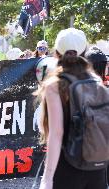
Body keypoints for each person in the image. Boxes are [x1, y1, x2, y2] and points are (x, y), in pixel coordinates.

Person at [36, 28, 107, 189]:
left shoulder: (55, 85)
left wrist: (47, 178)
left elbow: (56, 133)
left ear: (57, 53)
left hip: (68, 164)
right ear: (84, 52)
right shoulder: (96, 80)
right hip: (97, 165)